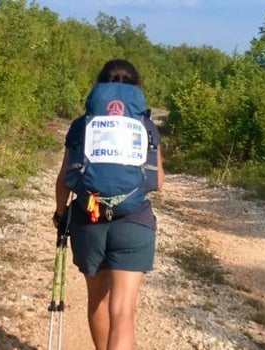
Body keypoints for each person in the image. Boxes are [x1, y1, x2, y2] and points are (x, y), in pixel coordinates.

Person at [53, 59, 165, 350]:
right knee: (123, 312)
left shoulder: (81, 126)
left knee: (98, 301)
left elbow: (65, 179)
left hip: (88, 221)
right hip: (134, 223)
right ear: (135, 89)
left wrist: (60, 215)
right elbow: (158, 181)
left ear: (100, 86)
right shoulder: (147, 127)